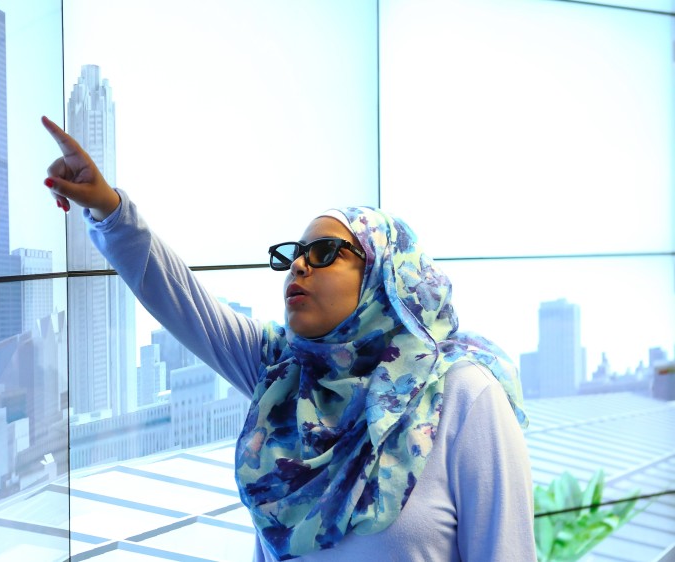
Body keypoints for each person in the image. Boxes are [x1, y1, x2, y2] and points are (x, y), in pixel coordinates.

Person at [41, 116, 536, 561]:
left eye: (324, 252)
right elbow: (180, 300)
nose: (298, 264)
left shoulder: (461, 395)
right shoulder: (281, 376)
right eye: (293, 254)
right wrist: (108, 209)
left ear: (386, 276)